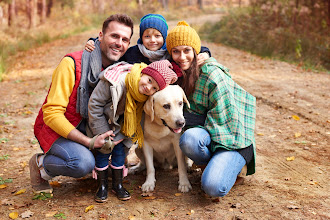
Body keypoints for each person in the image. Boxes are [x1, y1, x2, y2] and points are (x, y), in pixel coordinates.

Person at [29, 14, 134, 194]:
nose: (119, 43)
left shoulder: (119, 71)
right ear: (100, 36)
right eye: (114, 36)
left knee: (112, 157)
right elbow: (52, 114)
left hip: (90, 127)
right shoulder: (71, 64)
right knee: (82, 163)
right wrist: (89, 142)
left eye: (125, 39)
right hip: (57, 129)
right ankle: (41, 165)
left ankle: (92, 156)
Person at [166, 21, 257, 198]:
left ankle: (235, 166)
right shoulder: (176, 75)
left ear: (195, 51)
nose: (182, 56)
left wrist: (189, 119)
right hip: (209, 132)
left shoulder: (211, 74)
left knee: (213, 188)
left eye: (187, 50)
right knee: (189, 140)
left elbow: (225, 122)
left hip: (232, 138)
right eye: (175, 51)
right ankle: (212, 165)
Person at [88, 59, 181, 202]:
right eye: (149, 80)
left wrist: (127, 135)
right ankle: (102, 186)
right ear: (143, 73)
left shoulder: (143, 95)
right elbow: (94, 104)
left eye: (155, 88)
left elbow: (135, 119)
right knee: (103, 153)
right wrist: (102, 132)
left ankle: (118, 185)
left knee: (119, 153)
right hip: (102, 127)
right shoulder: (114, 81)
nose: (149, 87)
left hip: (123, 128)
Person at [85, 13, 211, 66]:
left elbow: (190, 46)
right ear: (141, 38)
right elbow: (108, 45)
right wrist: (93, 41)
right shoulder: (133, 52)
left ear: (164, 38)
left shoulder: (170, 52)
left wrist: (205, 53)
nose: (152, 40)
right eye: (147, 36)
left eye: (157, 36)